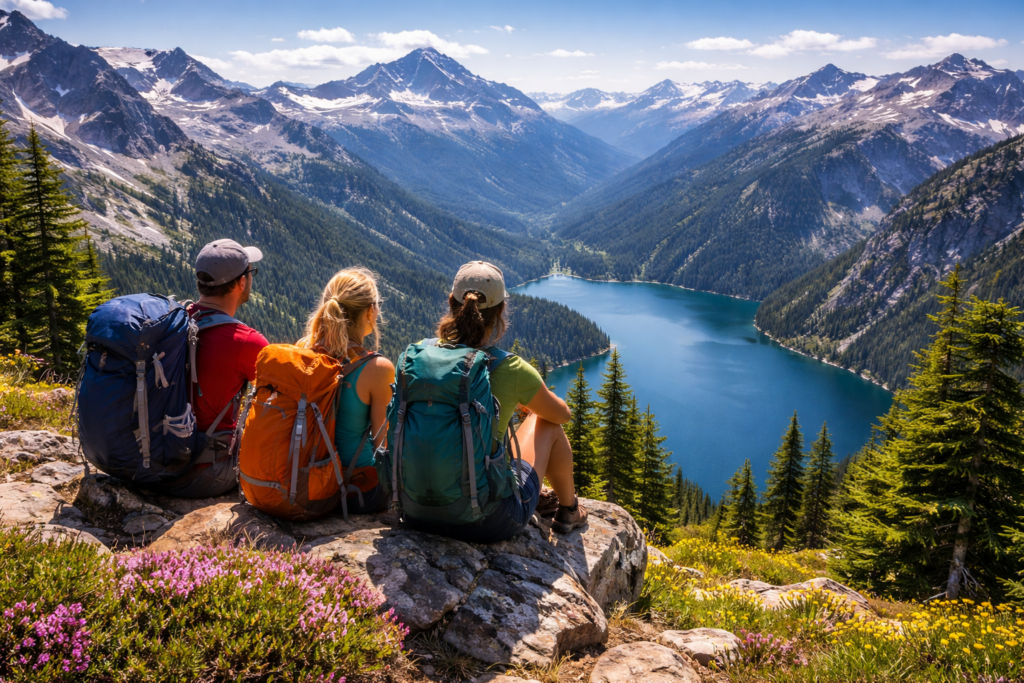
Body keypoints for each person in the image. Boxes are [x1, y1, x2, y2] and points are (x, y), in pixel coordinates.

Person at [403, 261, 587, 541]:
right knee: (544, 419)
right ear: (501, 311)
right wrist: (525, 402)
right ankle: (569, 510)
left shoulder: (416, 360)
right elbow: (562, 414)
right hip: (487, 522)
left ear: (451, 303)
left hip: (413, 511)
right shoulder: (511, 369)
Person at [162, 239, 268, 498]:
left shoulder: (170, 323)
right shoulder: (247, 342)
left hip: (152, 459)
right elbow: (278, 404)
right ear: (242, 282)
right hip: (205, 472)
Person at [298, 267, 394, 514]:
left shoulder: (303, 353)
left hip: (306, 483)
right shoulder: (378, 368)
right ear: (371, 311)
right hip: (358, 491)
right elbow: (384, 445)